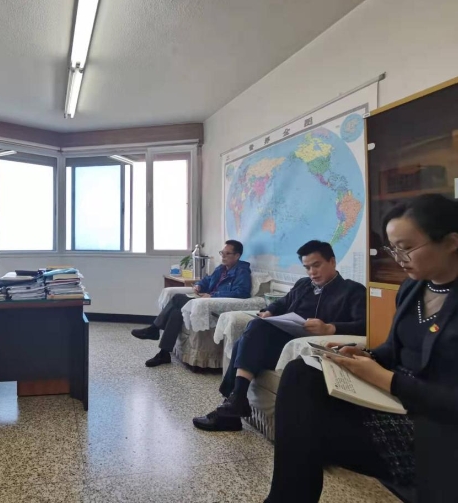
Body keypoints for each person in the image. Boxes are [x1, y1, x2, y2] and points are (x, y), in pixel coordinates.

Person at [265, 195, 458, 503]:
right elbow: (394, 347)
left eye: (407, 247)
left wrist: (387, 379)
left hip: (431, 422)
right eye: (393, 249)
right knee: (302, 373)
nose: (399, 259)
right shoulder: (412, 287)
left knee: (306, 428)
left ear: (450, 242)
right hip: (393, 400)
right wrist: (366, 356)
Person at [193, 240, 366, 431]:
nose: (312, 272)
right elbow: (282, 302)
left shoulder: (353, 291)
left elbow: (365, 326)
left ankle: (233, 406)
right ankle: (233, 404)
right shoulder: (304, 285)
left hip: (307, 350)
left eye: (317, 265)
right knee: (247, 337)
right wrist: (269, 311)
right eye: (307, 267)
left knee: (251, 336)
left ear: (332, 261)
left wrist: (330, 328)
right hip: (286, 341)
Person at [131, 240, 252, 367]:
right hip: (205, 300)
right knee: (176, 313)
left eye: (227, 254)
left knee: (178, 298)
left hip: (214, 305)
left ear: (237, 256)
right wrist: (199, 286)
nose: (223, 256)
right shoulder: (221, 269)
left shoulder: (242, 271)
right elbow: (207, 280)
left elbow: (242, 292)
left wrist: (213, 296)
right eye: (222, 253)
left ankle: (154, 329)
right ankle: (164, 353)